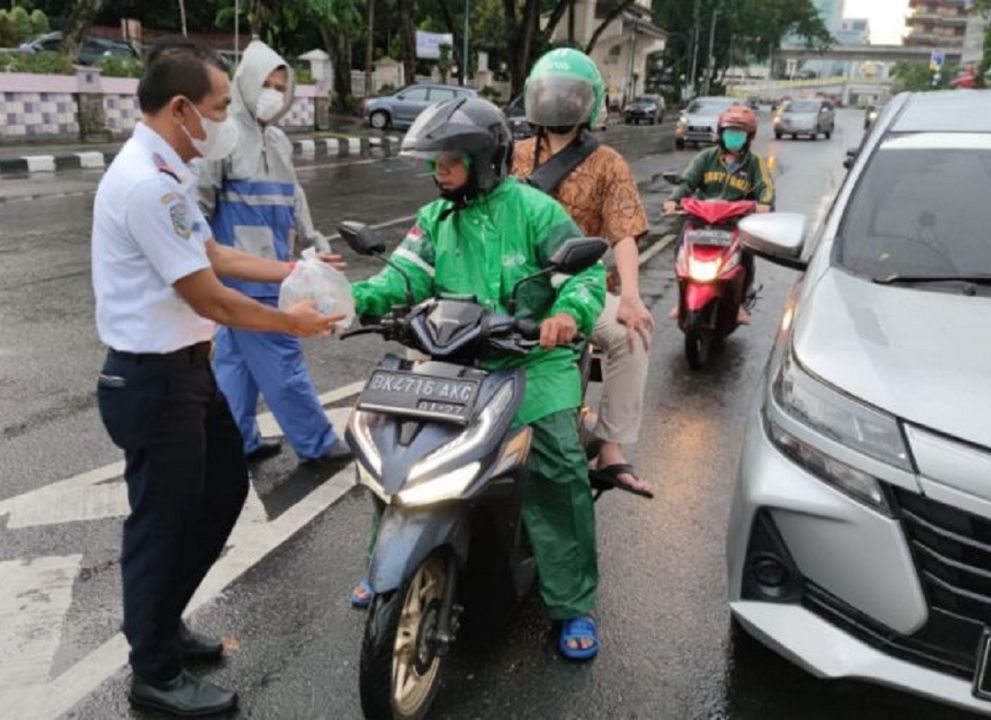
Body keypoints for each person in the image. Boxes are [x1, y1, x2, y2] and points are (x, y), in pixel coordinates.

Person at [91, 38, 343, 717]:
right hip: (154, 380)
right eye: (217, 106)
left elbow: (214, 252)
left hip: (185, 375)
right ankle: (154, 671)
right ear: (180, 108)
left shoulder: (166, 171)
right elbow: (209, 297)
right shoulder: (147, 183)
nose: (226, 119)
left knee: (225, 486)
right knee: (162, 525)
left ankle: (163, 621)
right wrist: (293, 323)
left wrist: (291, 272)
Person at [350, 97, 607, 660]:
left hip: (530, 361)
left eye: (449, 159)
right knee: (396, 450)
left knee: (557, 462)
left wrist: (567, 315)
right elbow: (403, 276)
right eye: (434, 160)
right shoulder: (434, 219)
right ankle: (386, 560)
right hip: (453, 359)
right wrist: (357, 300)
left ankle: (571, 602)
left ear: (484, 158)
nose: (437, 170)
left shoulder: (535, 212)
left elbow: (586, 276)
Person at [511, 48, 654, 498]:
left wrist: (630, 295)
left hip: (579, 286)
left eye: (568, 95)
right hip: (513, 282)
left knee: (631, 336)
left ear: (587, 104)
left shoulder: (608, 162)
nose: (558, 103)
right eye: (550, 93)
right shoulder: (511, 156)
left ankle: (610, 448)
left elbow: (624, 233)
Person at [198, 41, 348, 464]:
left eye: (281, 86)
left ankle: (237, 439)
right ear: (246, 82)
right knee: (283, 363)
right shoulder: (222, 139)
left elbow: (294, 200)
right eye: (266, 83)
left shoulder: (278, 141)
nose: (274, 93)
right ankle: (317, 443)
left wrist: (313, 241)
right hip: (245, 277)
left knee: (235, 365)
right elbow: (199, 208)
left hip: (277, 273)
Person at [661, 104, 775, 324]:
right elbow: (687, 181)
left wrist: (765, 203)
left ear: (749, 137)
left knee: (747, 255)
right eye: (730, 132)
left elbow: (766, 187)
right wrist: (673, 200)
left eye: (739, 134)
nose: (734, 137)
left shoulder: (755, 164)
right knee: (681, 250)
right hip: (701, 219)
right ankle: (682, 299)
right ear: (721, 134)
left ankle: (740, 303)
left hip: (735, 223)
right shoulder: (706, 158)